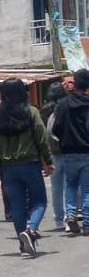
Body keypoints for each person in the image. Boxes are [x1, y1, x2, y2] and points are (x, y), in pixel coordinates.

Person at [0, 79, 53, 258]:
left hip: (7, 168)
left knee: (17, 205)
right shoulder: (31, 112)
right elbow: (41, 138)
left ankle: (22, 242)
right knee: (39, 201)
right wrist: (48, 161)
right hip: (29, 164)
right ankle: (31, 230)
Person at [52, 68, 89, 236]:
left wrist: (65, 140)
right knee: (87, 188)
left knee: (71, 185)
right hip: (87, 150)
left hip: (68, 151)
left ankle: (71, 215)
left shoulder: (63, 104)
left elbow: (56, 128)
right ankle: (87, 223)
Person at [40, 82, 68, 231]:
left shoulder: (43, 111)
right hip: (68, 150)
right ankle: (70, 214)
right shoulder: (65, 107)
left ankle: (58, 219)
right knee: (70, 184)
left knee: (56, 187)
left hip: (51, 152)